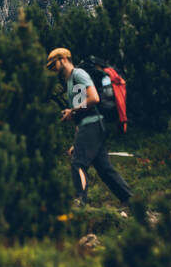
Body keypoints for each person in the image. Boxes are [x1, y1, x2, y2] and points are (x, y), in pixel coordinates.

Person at [46, 47, 133, 209]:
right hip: (89, 124)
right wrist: (76, 141)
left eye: (54, 64)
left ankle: (80, 202)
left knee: (78, 163)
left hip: (93, 123)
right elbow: (81, 113)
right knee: (105, 169)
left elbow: (94, 98)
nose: (53, 69)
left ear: (64, 59)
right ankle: (130, 200)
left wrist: (72, 111)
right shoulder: (71, 80)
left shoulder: (78, 74)